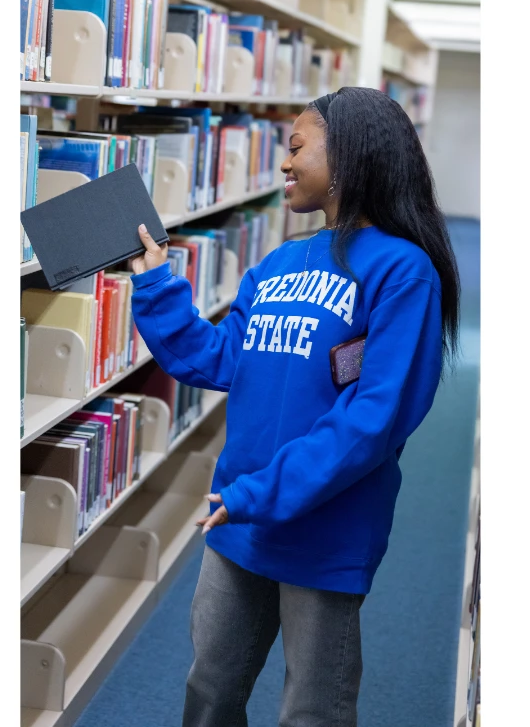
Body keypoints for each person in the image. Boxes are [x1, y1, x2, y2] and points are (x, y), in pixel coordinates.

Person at [126, 86, 460, 726]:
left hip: (323, 526)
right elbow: (219, 359)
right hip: (240, 516)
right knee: (209, 690)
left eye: (297, 147)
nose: (283, 162)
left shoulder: (403, 270)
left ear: (349, 158)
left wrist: (261, 493)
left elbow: (372, 420)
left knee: (310, 710)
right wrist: (156, 283)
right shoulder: (279, 261)